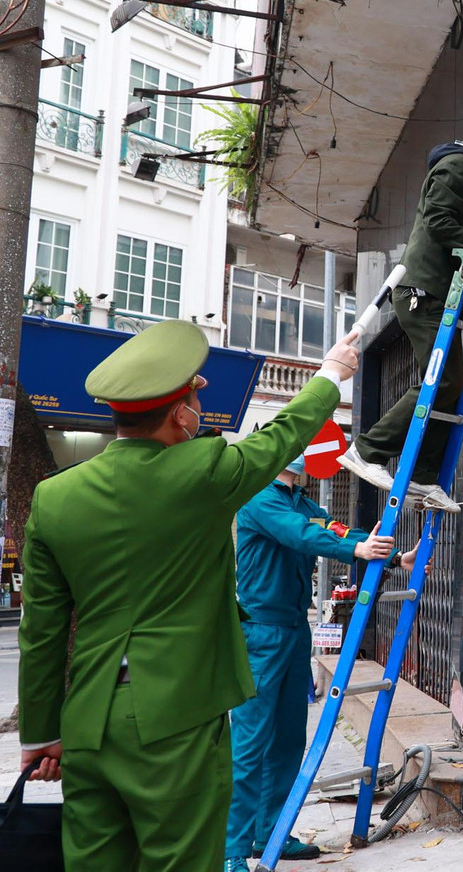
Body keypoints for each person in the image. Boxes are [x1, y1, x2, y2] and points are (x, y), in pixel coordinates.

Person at [18, 319, 361, 872]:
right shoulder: (203, 471)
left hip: (86, 723)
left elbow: (41, 632)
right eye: (195, 400)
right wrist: (330, 375)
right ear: (181, 415)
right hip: (176, 721)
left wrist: (40, 734)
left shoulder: (53, 496)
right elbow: (281, 437)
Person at [340, 111, 463, 512]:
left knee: (449, 386)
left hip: (436, 295)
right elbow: (439, 222)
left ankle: (425, 478)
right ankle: (367, 450)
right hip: (422, 292)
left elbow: (460, 217)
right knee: (441, 382)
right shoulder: (457, 166)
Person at [223, 454, 394, 871]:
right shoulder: (260, 498)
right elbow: (299, 534)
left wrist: (391, 554)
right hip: (260, 632)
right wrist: (355, 548)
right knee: (249, 744)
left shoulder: (300, 501)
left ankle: (271, 834)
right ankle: (230, 850)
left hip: (295, 630)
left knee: (287, 740)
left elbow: (332, 529)